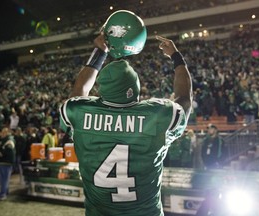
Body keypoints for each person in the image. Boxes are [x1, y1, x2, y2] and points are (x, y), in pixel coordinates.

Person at [59, 10, 192, 216]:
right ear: (136, 89)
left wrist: (100, 51)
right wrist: (176, 57)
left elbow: (79, 92)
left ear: (101, 89)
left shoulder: (79, 112)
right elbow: (184, 98)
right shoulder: (157, 116)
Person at [0, 127, 16, 202]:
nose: (2, 133)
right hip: (1, 162)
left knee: (3, 179)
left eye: (4, 132)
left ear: (7, 132)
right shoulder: (2, 140)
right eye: (2, 132)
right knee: (4, 179)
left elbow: (8, 151)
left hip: (5, 162)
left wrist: (0, 154)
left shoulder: (9, 140)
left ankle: (2, 195)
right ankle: (5, 192)